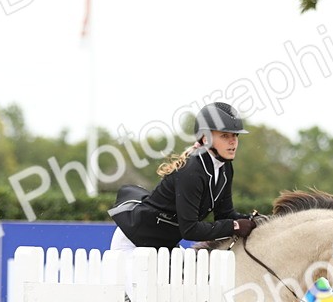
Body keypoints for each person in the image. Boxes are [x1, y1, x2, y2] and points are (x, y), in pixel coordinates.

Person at [108, 102, 257, 267]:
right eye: (225, 136)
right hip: (133, 244)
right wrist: (235, 226)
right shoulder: (191, 171)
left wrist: (255, 221)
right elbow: (190, 230)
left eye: (235, 135)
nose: (233, 142)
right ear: (206, 138)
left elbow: (225, 214)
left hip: (162, 247)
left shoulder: (225, 168)